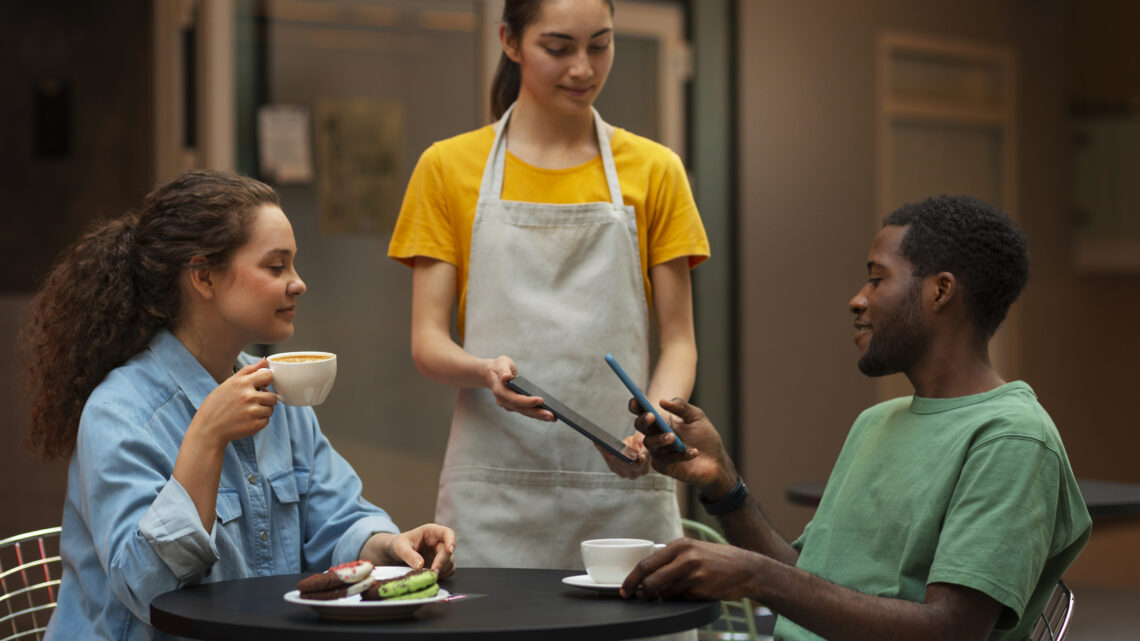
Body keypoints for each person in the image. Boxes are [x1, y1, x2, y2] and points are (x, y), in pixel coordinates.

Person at [621, 195, 1092, 641]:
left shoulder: (1011, 437)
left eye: (876, 279)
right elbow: (811, 582)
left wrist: (755, 576)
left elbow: (952, 630)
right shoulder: (876, 422)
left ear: (940, 291)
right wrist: (723, 484)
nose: (857, 299)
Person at [22, 170, 456, 641]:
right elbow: (149, 591)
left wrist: (390, 546)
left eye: (293, 265)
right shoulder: (120, 411)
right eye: (276, 266)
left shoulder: (278, 389)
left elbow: (335, 520)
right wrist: (206, 438)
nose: (298, 283)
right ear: (204, 276)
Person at [388, 0, 709, 568]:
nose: (583, 68)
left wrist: (655, 423)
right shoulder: (447, 168)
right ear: (510, 41)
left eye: (600, 45)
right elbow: (428, 343)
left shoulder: (656, 170)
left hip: (623, 486)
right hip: (495, 494)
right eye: (558, 48)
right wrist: (484, 371)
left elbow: (679, 341)